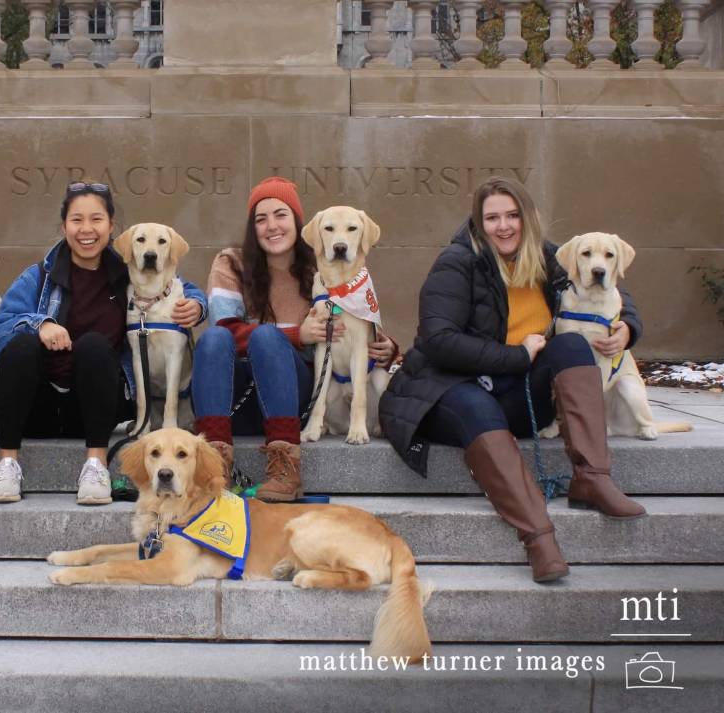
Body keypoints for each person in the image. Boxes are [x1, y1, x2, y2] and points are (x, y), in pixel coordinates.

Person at [379, 176, 646, 584]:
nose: (503, 226)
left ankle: (592, 479)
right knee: (475, 405)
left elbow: (603, 284)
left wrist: (627, 325)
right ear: (478, 222)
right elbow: (438, 340)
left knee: (572, 347)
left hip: (512, 392)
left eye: (512, 215)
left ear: (527, 219)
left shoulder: (546, 258)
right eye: (492, 218)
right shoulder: (457, 261)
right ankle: (539, 538)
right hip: (443, 391)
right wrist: (516, 355)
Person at [0, 181, 207, 506]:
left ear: (111, 226)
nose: (86, 229)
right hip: (37, 407)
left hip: (95, 410)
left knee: (93, 345)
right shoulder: (39, 277)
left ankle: (96, 466)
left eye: (96, 219)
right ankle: (7, 464)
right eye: (77, 220)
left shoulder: (127, 272)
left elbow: (174, 285)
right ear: (64, 227)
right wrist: (39, 323)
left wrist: (199, 304)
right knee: (20, 345)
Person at [192, 177, 398, 501]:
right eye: (261, 219)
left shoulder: (323, 265)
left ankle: (285, 468)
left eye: (281, 215)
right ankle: (214, 465)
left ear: (298, 221)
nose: (271, 226)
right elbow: (225, 328)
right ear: (252, 227)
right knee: (214, 338)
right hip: (233, 399)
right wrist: (294, 335)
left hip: (289, 400)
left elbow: (357, 331)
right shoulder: (230, 262)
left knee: (266, 339)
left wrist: (388, 348)